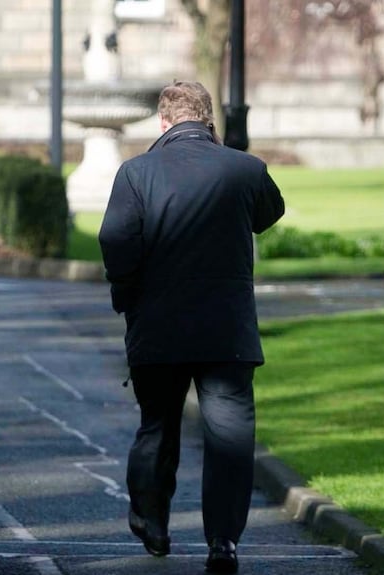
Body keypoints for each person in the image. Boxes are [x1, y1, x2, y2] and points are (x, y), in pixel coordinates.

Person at [98, 81, 285, 574]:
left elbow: (115, 241)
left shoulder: (136, 172)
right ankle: (224, 542)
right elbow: (270, 213)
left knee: (157, 425)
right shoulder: (244, 168)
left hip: (157, 326)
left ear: (163, 123)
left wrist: (127, 297)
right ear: (208, 122)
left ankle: (151, 519)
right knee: (230, 437)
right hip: (227, 330)